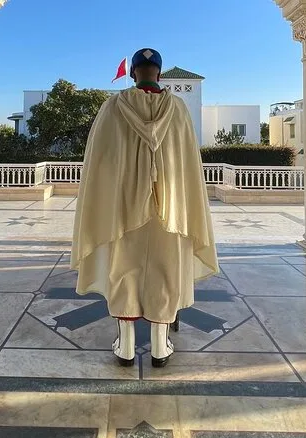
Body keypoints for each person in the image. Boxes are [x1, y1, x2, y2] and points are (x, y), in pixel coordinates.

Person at [70, 48, 218, 368]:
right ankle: (160, 346)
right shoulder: (178, 109)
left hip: (124, 209)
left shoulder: (112, 107)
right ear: (159, 74)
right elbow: (187, 165)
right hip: (170, 208)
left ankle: (125, 346)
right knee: (166, 271)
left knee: (123, 269)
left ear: (133, 73)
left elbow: (100, 162)